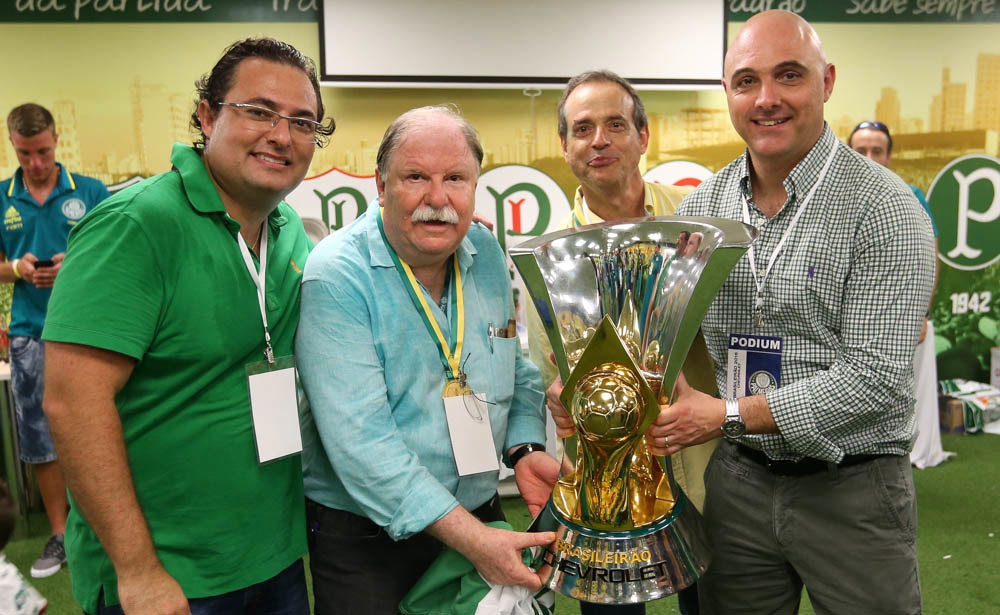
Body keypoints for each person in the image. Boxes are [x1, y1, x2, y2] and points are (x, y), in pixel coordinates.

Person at [651, 10, 934, 614]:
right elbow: (657, 334)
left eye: (789, 75)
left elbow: (877, 378)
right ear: (727, 92)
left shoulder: (884, 207)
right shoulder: (703, 210)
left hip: (853, 485)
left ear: (826, 81)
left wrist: (729, 413)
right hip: (740, 481)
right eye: (746, 81)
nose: (766, 99)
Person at [40, 37, 334, 614]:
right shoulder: (135, 225)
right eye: (259, 111)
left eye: (302, 122)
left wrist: (439, 228)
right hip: (168, 574)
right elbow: (72, 403)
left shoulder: (287, 231)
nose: (282, 135)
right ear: (207, 115)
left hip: (273, 555)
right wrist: (138, 570)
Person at [296, 105, 559, 615]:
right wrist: (473, 540)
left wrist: (525, 448)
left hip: (479, 510)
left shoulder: (484, 251)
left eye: (455, 179)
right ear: (381, 184)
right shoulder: (338, 276)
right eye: (416, 177)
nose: (438, 199)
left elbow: (514, 365)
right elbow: (362, 446)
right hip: (370, 539)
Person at [527, 69, 714, 615]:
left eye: (615, 124)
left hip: (704, 462)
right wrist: (560, 394)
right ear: (565, 146)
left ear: (643, 136)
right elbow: (552, 377)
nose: (599, 141)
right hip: (608, 486)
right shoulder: (550, 258)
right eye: (583, 129)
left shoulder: (697, 222)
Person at [1, 103, 110, 578]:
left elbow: (116, 258)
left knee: (101, 426)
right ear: (13, 145)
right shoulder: (1, 198)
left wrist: (76, 264)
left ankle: (104, 525)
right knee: (40, 438)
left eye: (43, 151)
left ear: (56, 141)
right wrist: (16, 268)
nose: (36, 162)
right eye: (25, 154)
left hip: (88, 330)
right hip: (30, 334)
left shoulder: (90, 192)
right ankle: (61, 534)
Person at [849, 120, 951, 470]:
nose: (869, 157)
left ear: (889, 156)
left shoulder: (910, 196)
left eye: (877, 150)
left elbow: (929, 258)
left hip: (898, 319)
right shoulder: (834, 199)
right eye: (861, 150)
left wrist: (921, 313)